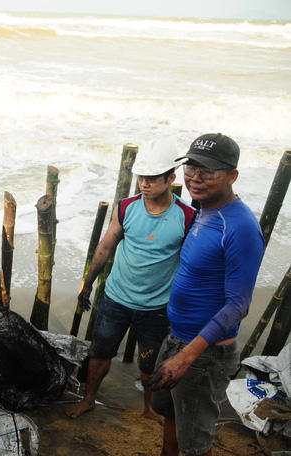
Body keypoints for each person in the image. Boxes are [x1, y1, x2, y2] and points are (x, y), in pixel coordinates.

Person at [148, 133, 265, 456]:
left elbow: (238, 305)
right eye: (191, 168)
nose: (195, 178)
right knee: (169, 413)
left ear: (232, 176)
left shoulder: (239, 226)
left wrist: (187, 357)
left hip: (204, 354)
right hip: (178, 339)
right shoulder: (205, 209)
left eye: (208, 171)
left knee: (196, 444)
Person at [65, 137, 196, 422]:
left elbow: (192, 265)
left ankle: (149, 408)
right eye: (140, 178)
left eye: (151, 178)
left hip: (157, 306)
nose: (144, 184)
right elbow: (105, 246)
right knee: (100, 353)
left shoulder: (187, 217)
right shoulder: (125, 208)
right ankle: (89, 399)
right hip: (116, 299)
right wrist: (87, 284)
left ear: (170, 178)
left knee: (150, 362)